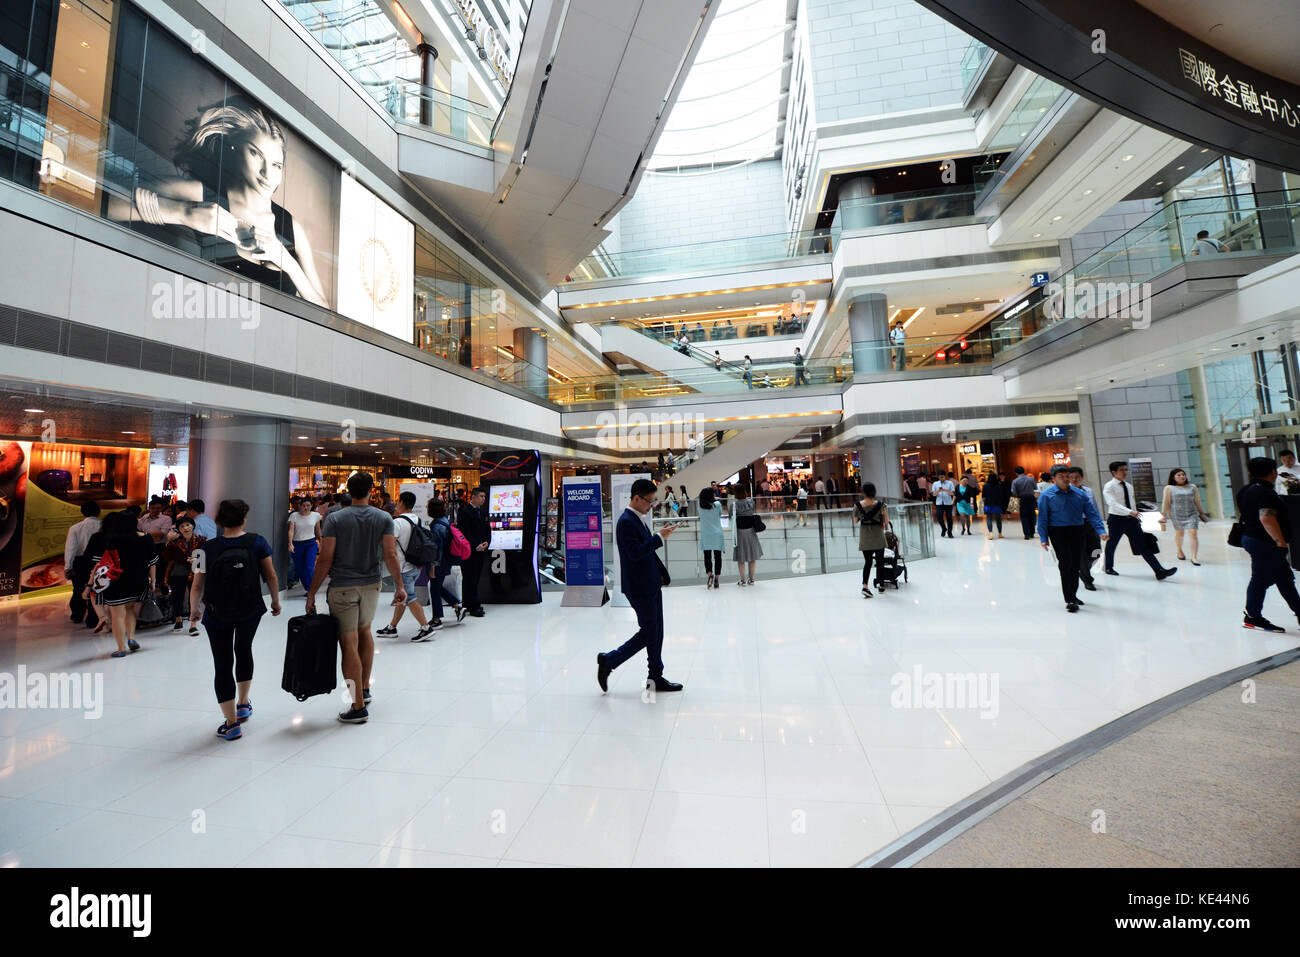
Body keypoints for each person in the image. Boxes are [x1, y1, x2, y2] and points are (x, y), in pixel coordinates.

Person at [106, 97, 329, 306]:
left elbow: (324, 311)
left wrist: (287, 262)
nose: (266, 173)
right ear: (234, 148)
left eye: (276, 165)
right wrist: (183, 213)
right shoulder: (201, 194)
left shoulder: (291, 227)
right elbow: (106, 203)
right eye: (255, 154)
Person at [305, 472, 405, 724]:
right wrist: (399, 586)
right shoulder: (383, 517)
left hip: (343, 588)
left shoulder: (335, 518)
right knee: (365, 633)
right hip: (371, 585)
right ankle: (365, 689)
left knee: (348, 644)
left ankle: (357, 705)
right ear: (372, 490)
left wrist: (312, 593)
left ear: (348, 490)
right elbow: (390, 554)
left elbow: (325, 558)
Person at [188, 499, 279, 740]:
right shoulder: (257, 541)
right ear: (244, 518)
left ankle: (231, 723)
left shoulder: (205, 548)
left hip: (217, 612)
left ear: (218, 520)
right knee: (244, 649)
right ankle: (243, 702)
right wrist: (276, 601)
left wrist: (194, 610)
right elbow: (270, 575)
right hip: (250, 609)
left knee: (222, 661)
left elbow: (197, 584)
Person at [596, 478, 682, 693]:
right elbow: (634, 553)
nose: (651, 506)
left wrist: (662, 572)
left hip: (650, 584)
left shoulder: (637, 518)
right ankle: (609, 660)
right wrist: (658, 538)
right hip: (639, 587)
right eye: (649, 501)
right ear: (636, 498)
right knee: (650, 633)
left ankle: (655, 677)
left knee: (657, 632)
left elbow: (646, 551)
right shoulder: (626, 521)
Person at [1237, 456, 1300, 632]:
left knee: (1285, 578)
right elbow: (1266, 517)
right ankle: (1252, 616)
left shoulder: (1245, 490)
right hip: (1266, 543)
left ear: (1250, 473)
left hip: (1250, 537)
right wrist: (1279, 541)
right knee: (1260, 579)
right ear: (1273, 472)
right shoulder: (1266, 493)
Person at [83, 510, 158, 656]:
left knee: (117, 615)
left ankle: (121, 648)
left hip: (116, 582)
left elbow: (100, 564)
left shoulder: (111, 540)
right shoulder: (146, 538)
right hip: (139, 581)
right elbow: (152, 562)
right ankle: (131, 638)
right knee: (130, 610)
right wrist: (153, 580)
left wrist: (89, 585)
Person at [1038, 465, 1108, 612]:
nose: (1065, 479)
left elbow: (1092, 513)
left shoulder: (1079, 494)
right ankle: (1069, 599)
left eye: (1067, 476)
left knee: (1075, 564)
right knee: (1065, 563)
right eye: (1061, 477)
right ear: (1053, 479)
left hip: (1077, 530)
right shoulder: (1046, 496)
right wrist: (1044, 538)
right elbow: (1043, 519)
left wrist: (1101, 530)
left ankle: (1073, 595)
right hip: (1057, 532)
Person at [376, 492, 437, 641]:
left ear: (402, 502)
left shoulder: (397, 523)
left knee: (409, 597)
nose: (396, 504)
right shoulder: (417, 519)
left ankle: (425, 628)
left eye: (398, 501)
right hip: (415, 565)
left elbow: (389, 546)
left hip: (402, 567)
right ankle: (392, 628)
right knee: (402, 597)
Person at [1102, 461, 1176, 580]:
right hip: (1116, 520)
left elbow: (1132, 503)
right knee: (1112, 544)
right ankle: (1108, 567)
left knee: (1143, 545)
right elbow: (1112, 504)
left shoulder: (1128, 486)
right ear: (1114, 472)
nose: (1125, 472)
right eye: (1121, 470)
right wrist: (1130, 512)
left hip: (1131, 520)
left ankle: (1159, 571)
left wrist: (1135, 515)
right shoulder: (1109, 486)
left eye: (1126, 469)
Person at [425, 499, 466, 629]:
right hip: (446, 561)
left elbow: (437, 549)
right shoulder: (445, 522)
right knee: (436, 587)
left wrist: (433, 565)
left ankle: (437, 619)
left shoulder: (437, 527)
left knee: (435, 589)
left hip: (439, 562)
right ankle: (457, 606)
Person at [161, 515, 205, 633]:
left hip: (195, 572)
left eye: (188, 525)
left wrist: (197, 560)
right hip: (177, 572)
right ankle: (178, 619)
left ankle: (193, 623)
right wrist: (168, 541)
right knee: (177, 597)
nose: (185, 528)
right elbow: (165, 557)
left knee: (194, 598)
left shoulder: (201, 540)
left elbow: (205, 557)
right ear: (178, 529)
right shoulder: (174, 543)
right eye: (182, 526)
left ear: (193, 526)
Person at [64, 501, 102, 629]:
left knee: (78, 589)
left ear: (82, 512)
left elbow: (71, 549)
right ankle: (93, 618)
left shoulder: (75, 528)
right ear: (99, 511)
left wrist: (68, 567)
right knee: (96, 589)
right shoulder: (103, 527)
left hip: (80, 562)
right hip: (99, 561)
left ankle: (77, 615)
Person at [1161, 468, 1209, 566]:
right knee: (1180, 534)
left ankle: (1194, 557)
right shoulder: (1169, 488)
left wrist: (1202, 513)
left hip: (1192, 514)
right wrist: (1164, 516)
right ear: (1173, 477)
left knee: (1193, 533)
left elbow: (1197, 501)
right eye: (1179, 475)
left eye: (1183, 474)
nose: (1182, 476)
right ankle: (1179, 551)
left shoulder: (1192, 487)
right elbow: (1166, 502)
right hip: (1176, 514)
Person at [456, 487, 491, 617]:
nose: (483, 499)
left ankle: (472, 603)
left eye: (484, 496)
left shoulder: (482, 512)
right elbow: (464, 532)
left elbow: (487, 530)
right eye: (481, 496)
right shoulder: (464, 512)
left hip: (481, 550)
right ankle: (470, 604)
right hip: (469, 551)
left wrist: (487, 542)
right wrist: (475, 545)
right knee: (469, 578)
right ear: (474, 497)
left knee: (476, 578)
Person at [1068, 467, 1102, 592]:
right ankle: (1087, 580)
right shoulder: (1067, 492)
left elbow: (1095, 509)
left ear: (1082, 477)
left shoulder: (1088, 491)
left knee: (1096, 552)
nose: (1074, 479)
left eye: (1076, 477)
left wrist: (1100, 528)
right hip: (1076, 526)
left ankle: (1082, 571)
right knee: (1081, 554)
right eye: (1071, 477)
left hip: (1090, 524)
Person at [854, 482, 890, 598]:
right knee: (880, 562)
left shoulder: (857, 505)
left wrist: (864, 517)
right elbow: (886, 522)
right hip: (878, 536)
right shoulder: (881, 505)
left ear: (863, 492)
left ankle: (865, 586)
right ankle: (881, 586)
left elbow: (855, 521)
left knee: (868, 562)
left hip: (865, 537)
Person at [287, 496, 322, 594]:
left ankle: (311, 590)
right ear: (300, 506)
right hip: (297, 544)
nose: (306, 507)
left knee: (309, 567)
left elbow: (318, 530)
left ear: (311, 506)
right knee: (300, 568)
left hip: (310, 543)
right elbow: (291, 530)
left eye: (308, 505)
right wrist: (290, 544)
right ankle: (308, 588)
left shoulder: (316, 516)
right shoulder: (294, 516)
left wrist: (321, 542)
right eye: (303, 505)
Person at [732, 483, 764, 585]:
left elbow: (730, 517)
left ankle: (743, 580)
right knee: (752, 556)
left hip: (740, 533)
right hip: (751, 531)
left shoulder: (733, 505)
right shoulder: (751, 502)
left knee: (741, 558)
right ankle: (752, 579)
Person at [698, 486, 724, 588]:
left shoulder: (700, 506)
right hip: (717, 533)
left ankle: (710, 574)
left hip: (706, 534)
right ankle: (717, 579)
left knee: (707, 556)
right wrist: (716, 501)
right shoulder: (717, 504)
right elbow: (720, 514)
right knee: (718, 557)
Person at [1010, 466, 1038, 540]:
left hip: (1022, 499)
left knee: (1024, 516)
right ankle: (1032, 533)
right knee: (1032, 515)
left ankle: (1026, 534)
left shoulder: (1015, 481)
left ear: (1016, 473)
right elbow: (1035, 488)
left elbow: (1014, 492)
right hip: (1031, 498)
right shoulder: (1031, 479)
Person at [982, 472, 1009, 539]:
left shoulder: (985, 486)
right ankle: (1000, 533)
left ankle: (991, 533)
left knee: (989, 518)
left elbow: (983, 497)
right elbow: (1001, 496)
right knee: (998, 519)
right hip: (997, 504)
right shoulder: (999, 486)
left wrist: (984, 503)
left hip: (988, 504)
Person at [932, 471, 956, 538]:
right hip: (939, 503)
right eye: (939, 477)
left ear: (945, 476)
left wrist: (945, 490)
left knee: (949, 518)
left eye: (942, 477)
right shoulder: (935, 484)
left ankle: (950, 532)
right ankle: (944, 528)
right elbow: (934, 494)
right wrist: (938, 491)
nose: (941, 478)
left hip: (948, 503)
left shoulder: (950, 483)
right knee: (939, 517)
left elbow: (952, 493)